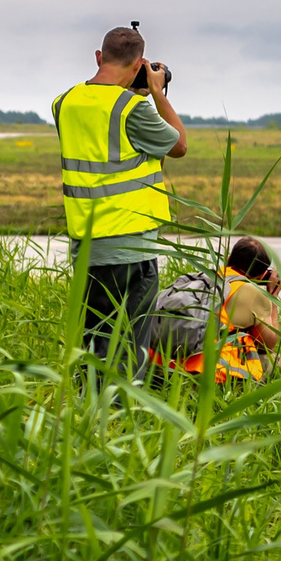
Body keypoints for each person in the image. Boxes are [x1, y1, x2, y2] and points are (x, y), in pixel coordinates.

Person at [53, 25, 187, 377]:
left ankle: (89, 406)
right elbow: (178, 146)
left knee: (96, 344)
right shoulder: (133, 109)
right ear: (139, 64)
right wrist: (157, 94)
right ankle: (121, 409)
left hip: (87, 246)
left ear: (98, 56)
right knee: (130, 347)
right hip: (130, 247)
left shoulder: (64, 103)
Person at [149, 236, 281, 384]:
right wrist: (273, 296)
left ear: (228, 259)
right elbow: (269, 345)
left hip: (157, 364)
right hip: (199, 373)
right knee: (278, 363)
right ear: (262, 275)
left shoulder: (199, 278)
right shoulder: (252, 293)